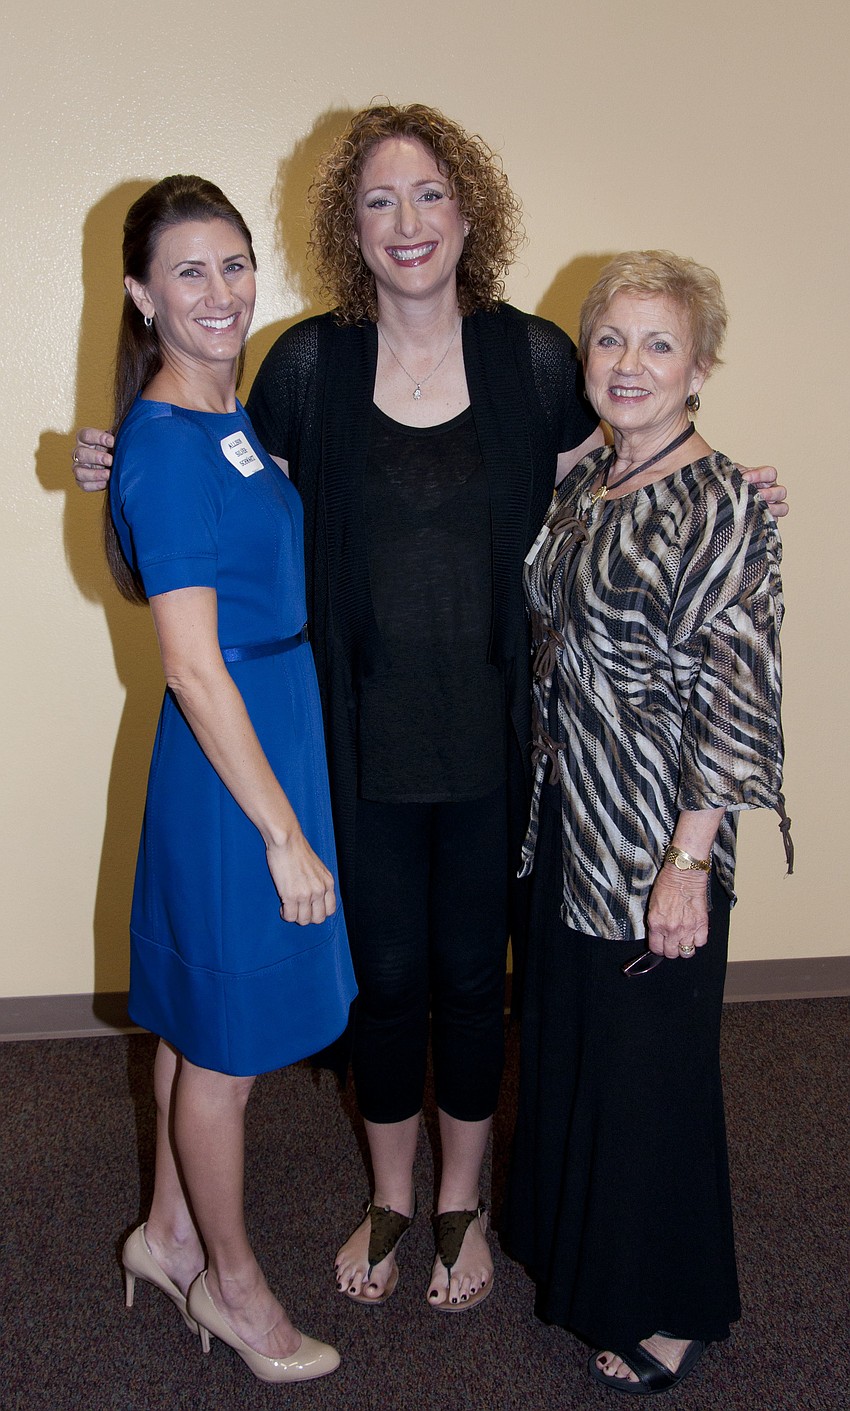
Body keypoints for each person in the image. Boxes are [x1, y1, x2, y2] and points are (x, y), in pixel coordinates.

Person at [72, 105, 788, 1315]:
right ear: (349, 227)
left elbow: (610, 460)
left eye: (430, 197)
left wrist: (726, 471)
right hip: (348, 745)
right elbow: (225, 466)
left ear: (469, 214)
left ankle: (462, 1197)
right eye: (378, 202)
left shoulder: (531, 359)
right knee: (384, 980)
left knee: (474, 979)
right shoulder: (307, 362)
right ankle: (392, 1193)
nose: (407, 224)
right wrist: (122, 452)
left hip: (501, 746)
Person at [502, 251, 791, 1395]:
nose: (629, 365)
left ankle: (673, 1308)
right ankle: (583, 1267)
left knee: (655, 1077)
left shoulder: (717, 498)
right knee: (582, 1057)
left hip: (656, 840)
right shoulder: (589, 483)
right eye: (611, 341)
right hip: (568, 821)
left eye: (657, 344)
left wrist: (689, 860)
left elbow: (736, 693)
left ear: (700, 366)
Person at [104, 175, 355, 1384]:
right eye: (189, 272)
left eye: (235, 263)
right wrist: (282, 835)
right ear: (143, 295)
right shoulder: (167, 443)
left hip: (270, 727)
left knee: (204, 1024)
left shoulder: (225, 413)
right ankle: (233, 1287)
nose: (220, 291)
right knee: (227, 1055)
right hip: (232, 768)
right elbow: (195, 668)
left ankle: (163, 1235)